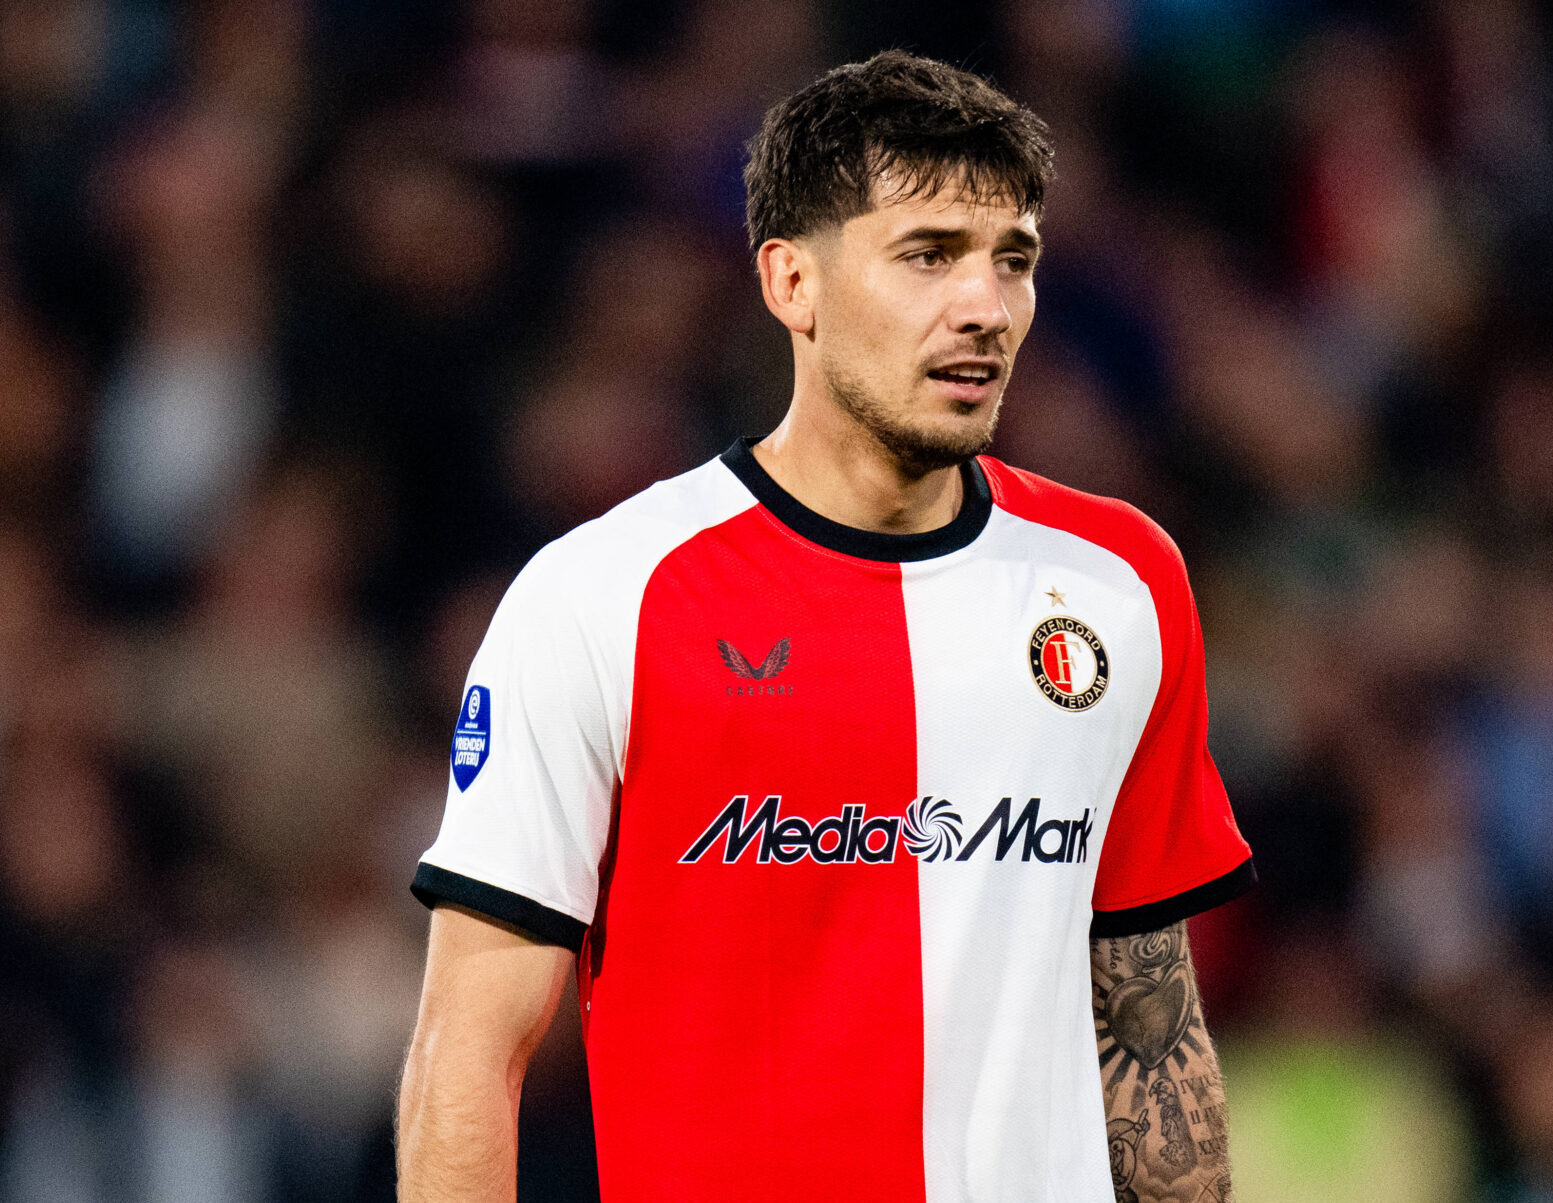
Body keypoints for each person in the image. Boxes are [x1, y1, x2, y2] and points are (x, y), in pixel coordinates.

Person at [394, 51, 1252, 1203]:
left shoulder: (1116, 583)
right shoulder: (605, 596)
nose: (984, 308)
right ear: (789, 282)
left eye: (1014, 261)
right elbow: (469, 1047)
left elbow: (1148, 1020)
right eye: (928, 255)